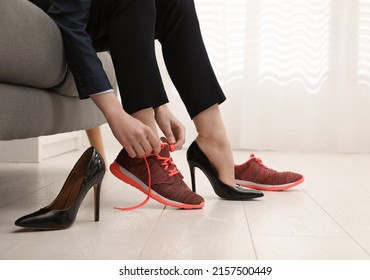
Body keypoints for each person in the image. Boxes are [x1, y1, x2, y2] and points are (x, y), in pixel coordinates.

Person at [29, 0, 303, 210]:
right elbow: (68, 18)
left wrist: (159, 104)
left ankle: (215, 142)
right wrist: (115, 112)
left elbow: (129, 23)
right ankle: (146, 156)